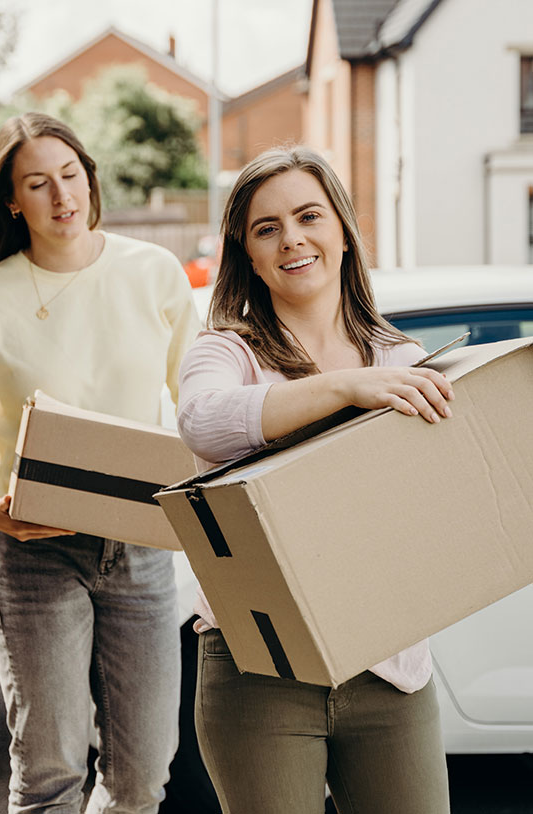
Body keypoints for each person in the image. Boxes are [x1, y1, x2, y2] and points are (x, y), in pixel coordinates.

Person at [0, 112, 201, 814]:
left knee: (141, 779)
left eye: (70, 175)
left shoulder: (154, 273)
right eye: (38, 184)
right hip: (35, 559)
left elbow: (198, 406)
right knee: (50, 777)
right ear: (14, 202)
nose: (61, 195)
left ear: (89, 179)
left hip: (141, 550)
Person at [175, 145, 453, 814]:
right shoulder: (226, 351)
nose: (291, 239)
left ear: (343, 232)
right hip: (258, 669)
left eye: (308, 217)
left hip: (390, 668)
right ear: (245, 252)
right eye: (266, 228)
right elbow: (203, 423)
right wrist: (344, 388)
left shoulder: (402, 360)